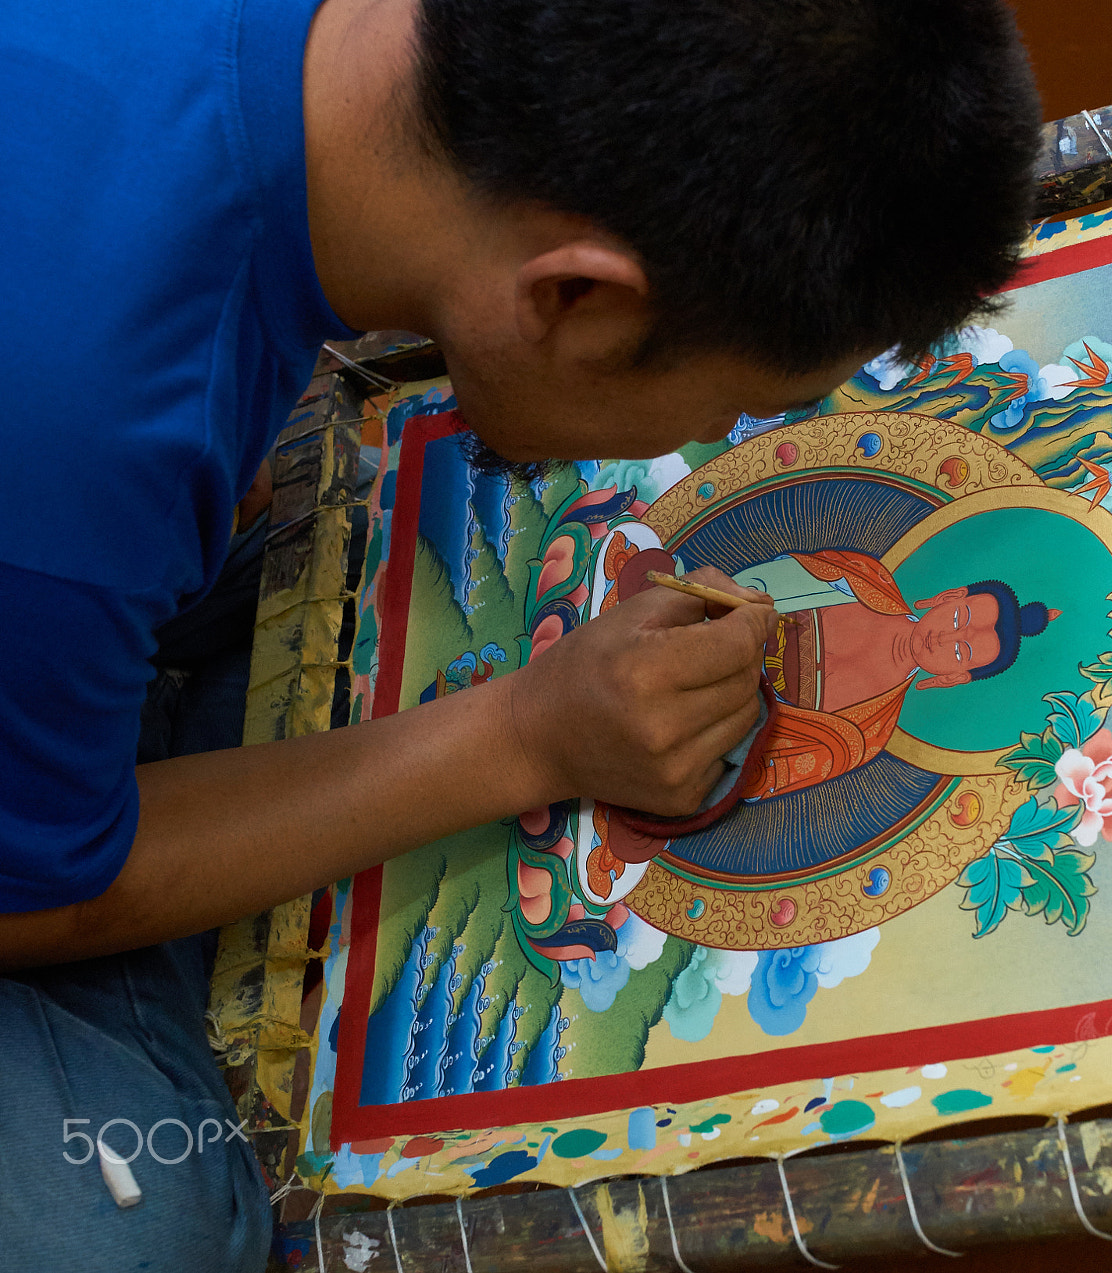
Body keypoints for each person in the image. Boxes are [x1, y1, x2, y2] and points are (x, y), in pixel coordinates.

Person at [0, 0, 1041, 1267]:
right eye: (737, 403)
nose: (723, 436)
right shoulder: (77, 445)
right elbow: (42, 900)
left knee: (334, 507)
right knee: (145, 1224)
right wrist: (523, 736)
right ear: (575, 298)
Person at [734, 550, 1059, 798]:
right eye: (957, 618)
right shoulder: (861, 578)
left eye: (961, 653)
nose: (944, 639)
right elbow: (765, 582)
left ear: (954, 678)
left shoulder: (864, 734)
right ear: (948, 598)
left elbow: (762, 775)